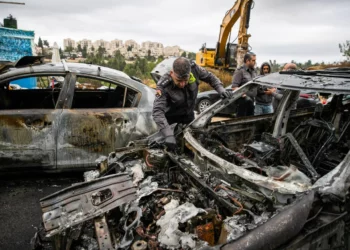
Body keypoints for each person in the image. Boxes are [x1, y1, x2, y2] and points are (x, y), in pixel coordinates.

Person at [152, 57, 233, 150]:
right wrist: (168, 135)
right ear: (172, 73)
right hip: (171, 122)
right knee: (169, 149)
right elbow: (157, 112)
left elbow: (210, 77)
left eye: (185, 80)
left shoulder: (194, 69)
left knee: (192, 147)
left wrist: (221, 89)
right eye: (179, 81)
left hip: (189, 117)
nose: (182, 84)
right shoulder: (163, 85)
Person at [231, 52, 257, 117]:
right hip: (242, 103)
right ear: (247, 61)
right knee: (241, 123)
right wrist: (243, 94)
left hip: (252, 102)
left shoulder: (254, 71)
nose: (255, 62)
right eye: (253, 60)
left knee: (250, 122)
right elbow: (234, 87)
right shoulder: (240, 71)